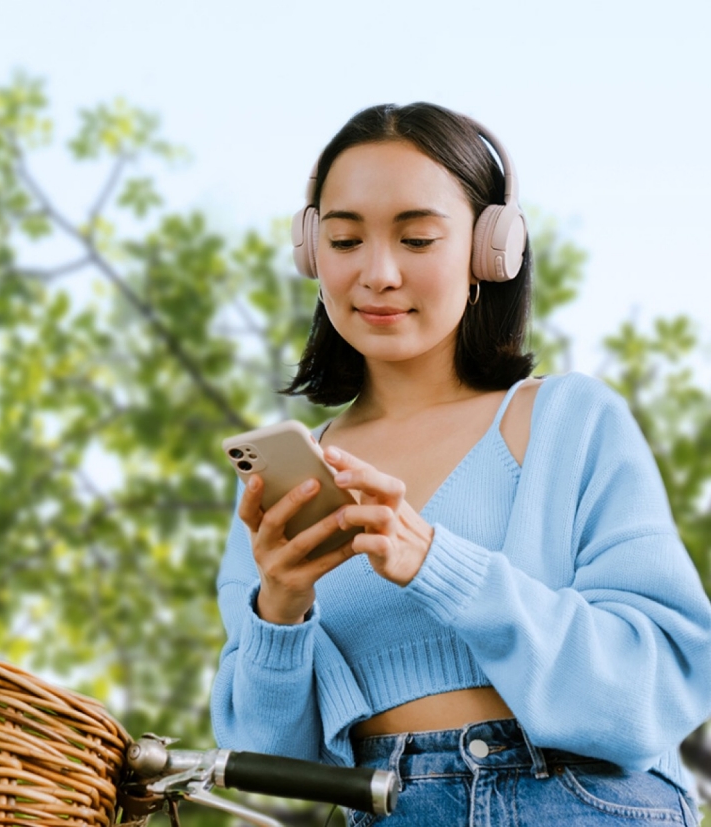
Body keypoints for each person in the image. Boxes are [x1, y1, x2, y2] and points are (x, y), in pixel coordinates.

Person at [210, 102, 711, 826]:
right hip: (386, 806)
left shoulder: (570, 422)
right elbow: (270, 763)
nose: (377, 273)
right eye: (345, 239)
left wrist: (438, 562)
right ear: (311, 252)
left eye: (416, 238)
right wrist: (281, 611)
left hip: (581, 799)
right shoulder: (285, 484)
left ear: (490, 251)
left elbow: (651, 692)